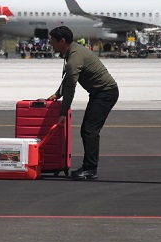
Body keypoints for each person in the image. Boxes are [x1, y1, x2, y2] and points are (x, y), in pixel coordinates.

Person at [45, 25, 119, 180]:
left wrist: (62, 113)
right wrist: (57, 94)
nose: (51, 44)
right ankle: (89, 167)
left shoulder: (74, 58)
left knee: (89, 131)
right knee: (88, 130)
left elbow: (71, 88)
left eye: (53, 41)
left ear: (62, 41)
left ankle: (90, 169)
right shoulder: (72, 51)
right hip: (100, 93)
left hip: (105, 93)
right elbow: (68, 79)